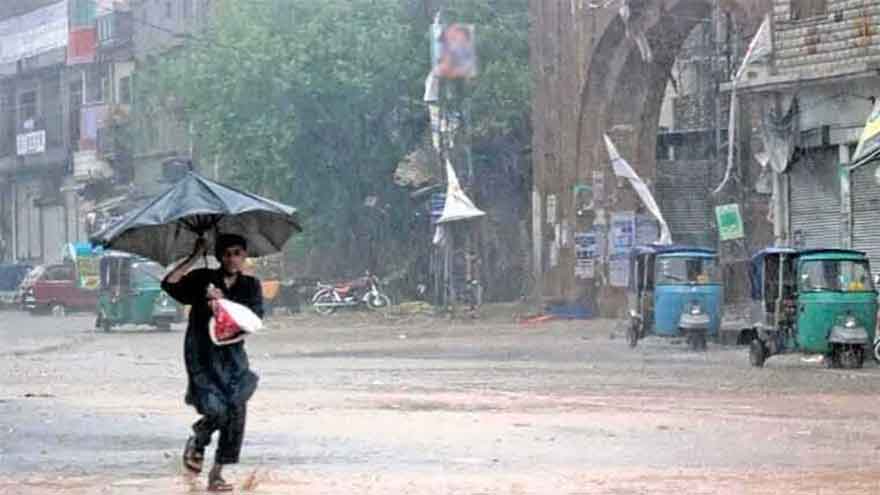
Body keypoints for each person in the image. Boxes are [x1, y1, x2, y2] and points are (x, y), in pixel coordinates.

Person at [161, 234, 263, 492]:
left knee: (236, 411)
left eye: (237, 253)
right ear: (219, 256)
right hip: (202, 354)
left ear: (244, 256)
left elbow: (254, 319)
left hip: (233, 357)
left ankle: (216, 473)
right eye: (226, 253)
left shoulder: (251, 285)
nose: (232, 258)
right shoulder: (201, 279)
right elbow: (169, 284)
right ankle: (198, 438)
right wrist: (194, 256)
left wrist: (222, 304)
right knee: (216, 409)